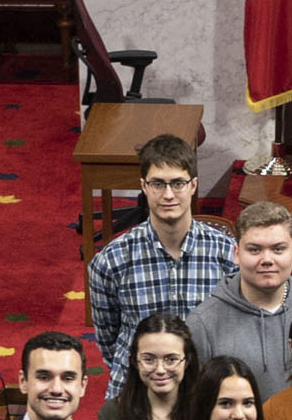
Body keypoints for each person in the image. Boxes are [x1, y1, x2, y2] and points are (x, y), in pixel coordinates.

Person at [87, 133, 233, 378]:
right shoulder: (110, 261)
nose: (168, 195)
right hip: (138, 389)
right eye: (158, 184)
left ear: (193, 185)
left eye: (178, 183)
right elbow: (108, 340)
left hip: (202, 386)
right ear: (143, 186)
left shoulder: (226, 253)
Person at [189, 200, 292, 392]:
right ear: (236, 254)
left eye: (278, 249)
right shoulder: (203, 323)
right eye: (254, 249)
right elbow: (195, 405)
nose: (267, 260)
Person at [96, 311, 195, 420]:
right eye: (149, 359)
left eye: (171, 359)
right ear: (135, 361)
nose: (160, 370)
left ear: (187, 362)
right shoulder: (112, 414)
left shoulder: (206, 412)